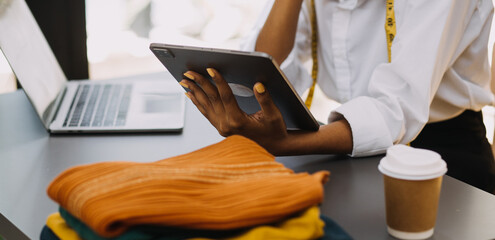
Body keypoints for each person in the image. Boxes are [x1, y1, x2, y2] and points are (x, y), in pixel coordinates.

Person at [178, 0, 495, 193]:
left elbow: (395, 108)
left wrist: (286, 143)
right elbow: (261, 71)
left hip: (446, 157)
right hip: (354, 148)